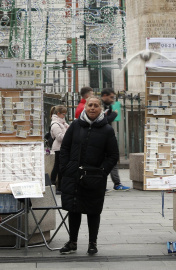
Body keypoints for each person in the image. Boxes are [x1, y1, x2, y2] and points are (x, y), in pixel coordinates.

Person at [59, 96, 119, 255]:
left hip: (95, 177)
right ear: (85, 107)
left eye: (96, 106)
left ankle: (92, 243)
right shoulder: (75, 125)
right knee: (74, 209)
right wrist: (66, 167)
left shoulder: (107, 129)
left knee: (93, 211)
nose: (92, 108)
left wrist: (102, 172)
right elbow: (65, 148)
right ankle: (72, 242)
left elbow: (113, 155)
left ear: (101, 109)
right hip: (74, 175)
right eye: (90, 105)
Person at [101, 88, 130, 191]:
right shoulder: (99, 106)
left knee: (113, 159)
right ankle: (107, 184)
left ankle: (117, 183)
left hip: (107, 138)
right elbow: (103, 121)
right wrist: (114, 114)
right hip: (102, 139)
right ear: (104, 96)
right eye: (111, 97)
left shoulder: (106, 106)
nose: (113, 99)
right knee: (104, 161)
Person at [50, 105, 69, 195]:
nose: (64, 116)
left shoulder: (62, 123)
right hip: (59, 148)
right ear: (58, 114)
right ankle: (55, 184)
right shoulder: (55, 124)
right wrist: (69, 135)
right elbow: (59, 137)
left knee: (59, 167)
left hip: (62, 147)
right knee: (58, 167)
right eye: (63, 114)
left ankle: (57, 184)